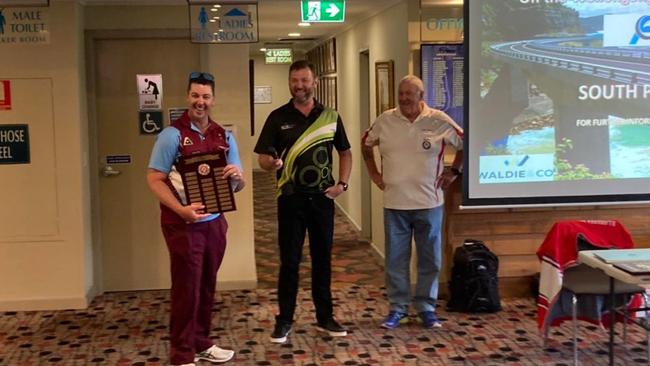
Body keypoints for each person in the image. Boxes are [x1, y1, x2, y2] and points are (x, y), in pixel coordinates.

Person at [147, 71, 244, 366]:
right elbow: (154, 179)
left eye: (205, 96)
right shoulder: (171, 135)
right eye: (195, 96)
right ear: (187, 97)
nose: (200, 102)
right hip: (183, 224)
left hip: (214, 223)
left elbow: (238, 184)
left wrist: (237, 177)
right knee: (186, 288)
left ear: (212, 99)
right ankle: (181, 353)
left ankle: (201, 342)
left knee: (206, 285)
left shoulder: (224, 136)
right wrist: (180, 210)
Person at [254, 60, 352, 344]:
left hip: (322, 200)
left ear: (315, 81)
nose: (300, 86)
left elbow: (345, 152)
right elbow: (261, 158)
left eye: (305, 80)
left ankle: (325, 318)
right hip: (290, 199)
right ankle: (284, 320)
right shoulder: (277, 117)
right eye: (295, 80)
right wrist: (270, 164)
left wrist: (341, 185)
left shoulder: (331, 116)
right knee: (290, 262)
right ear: (289, 82)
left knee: (322, 261)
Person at [361, 75, 463, 329]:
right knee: (396, 260)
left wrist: (454, 172)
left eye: (410, 94)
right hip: (395, 204)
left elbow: (464, 143)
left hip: (430, 203)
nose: (404, 98)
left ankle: (426, 308)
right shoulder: (385, 120)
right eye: (401, 93)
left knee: (430, 260)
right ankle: (398, 308)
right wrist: (374, 173)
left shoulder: (438, 120)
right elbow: (366, 145)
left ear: (421, 95)